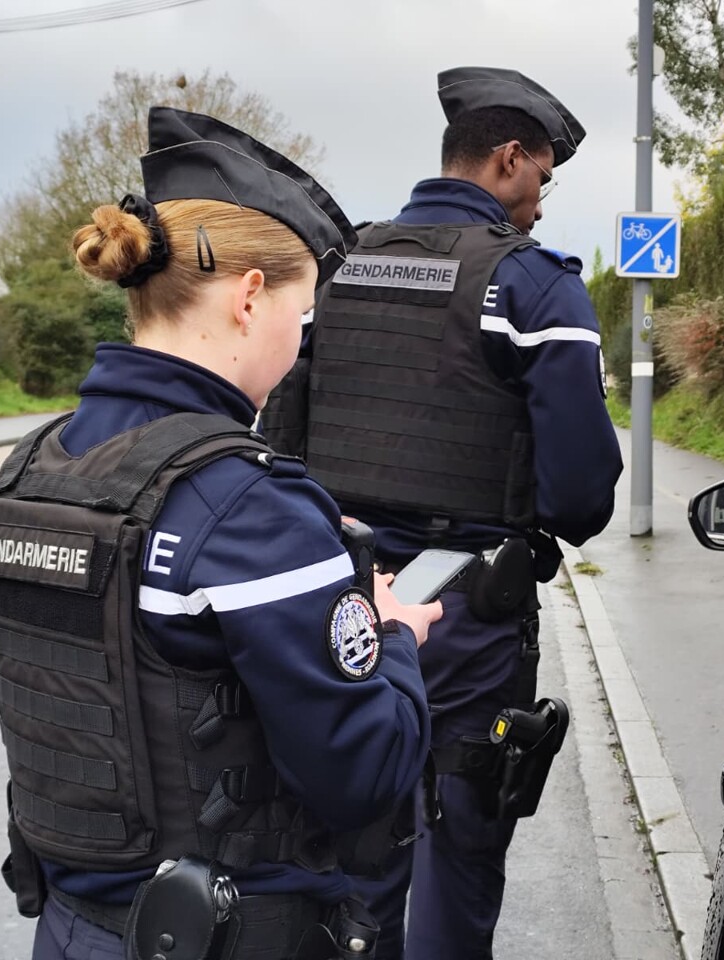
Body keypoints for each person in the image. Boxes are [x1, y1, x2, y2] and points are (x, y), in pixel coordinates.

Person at [0, 107, 442, 960]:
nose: (301, 347)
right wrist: (392, 637)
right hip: (234, 936)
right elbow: (365, 774)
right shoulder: (248, 505)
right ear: (250, 297)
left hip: (70, 930)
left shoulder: (33, 467)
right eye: (303, 318)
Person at [262, 66, 622, 959]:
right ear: (508, 160)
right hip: (466, 612)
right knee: (459, 853)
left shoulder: (336, 274)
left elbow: (281, 439)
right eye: (541, 174)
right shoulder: (535, 288)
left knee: (358, 851)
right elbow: (581, 498)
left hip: (344, 606)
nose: (538, 200)